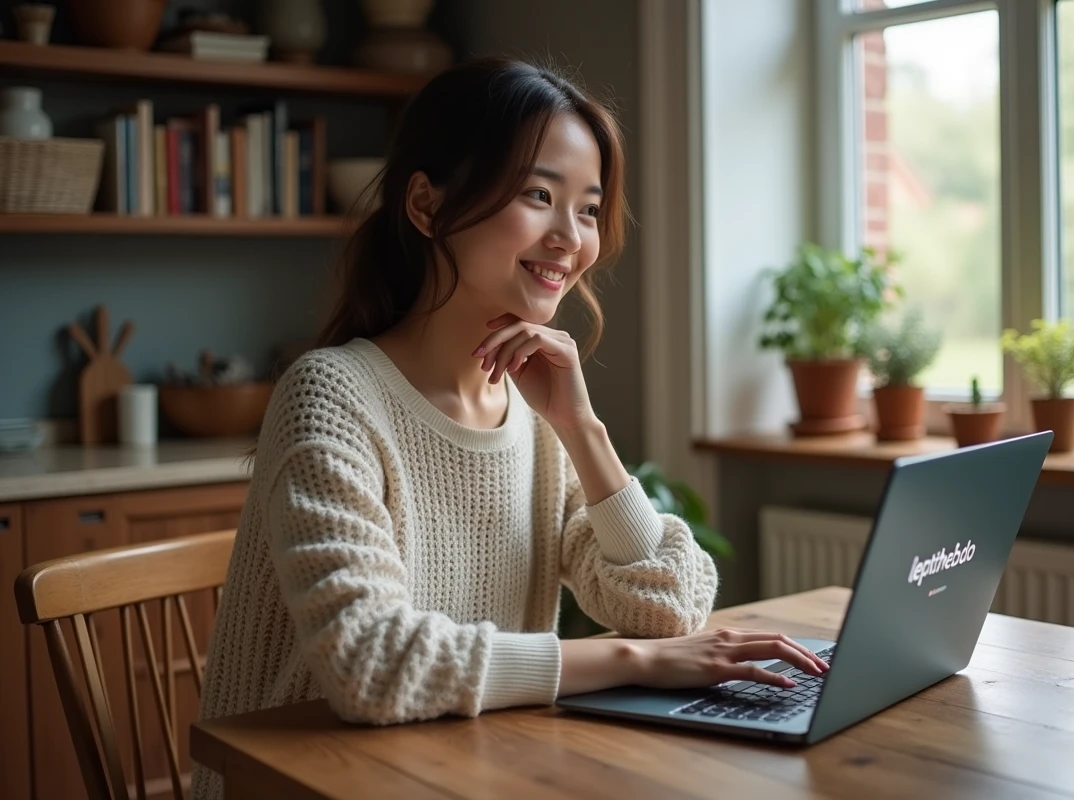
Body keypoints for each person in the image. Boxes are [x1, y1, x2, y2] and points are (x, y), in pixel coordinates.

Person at [193, 57, 827, 799]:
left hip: (465, 771)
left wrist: (581, 428)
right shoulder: (331, 395)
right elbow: (369, 663)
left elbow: (668, 606)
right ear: (426, 206)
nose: (570, 236)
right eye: (538, 195)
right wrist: (634, 663)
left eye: (587, 208)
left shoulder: (533, 412)